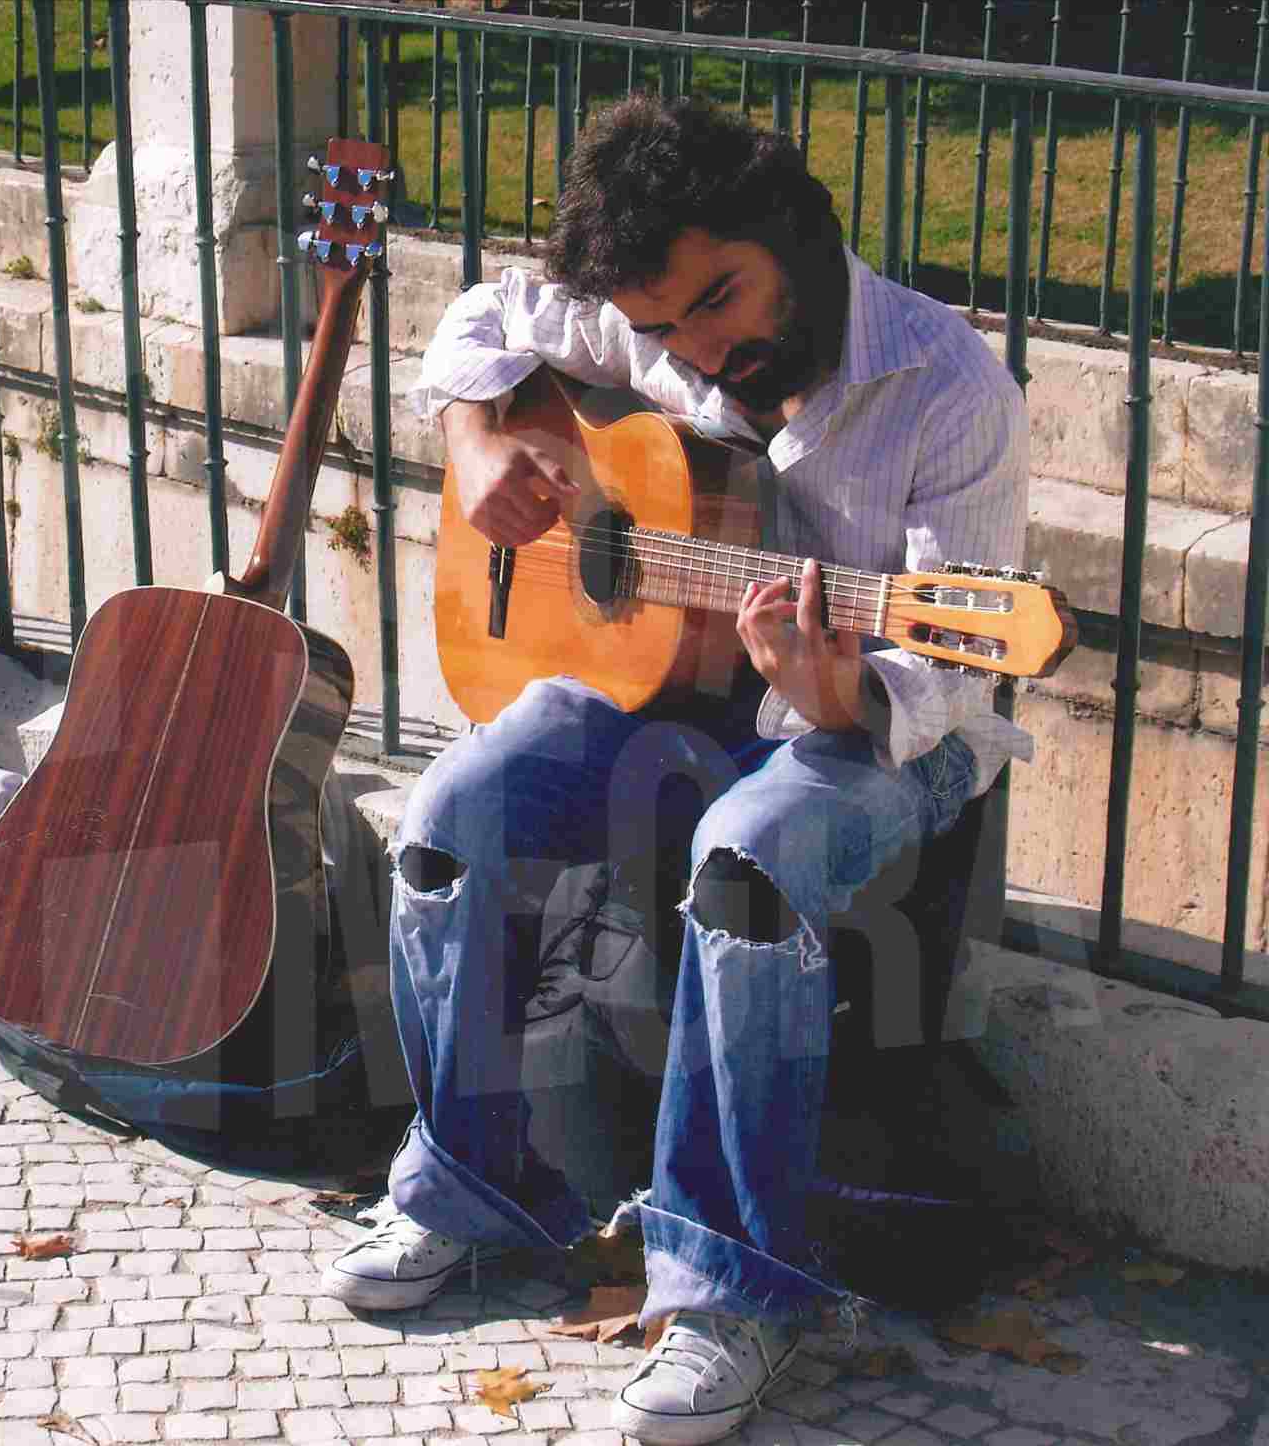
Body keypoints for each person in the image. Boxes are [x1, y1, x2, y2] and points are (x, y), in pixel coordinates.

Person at [318, 94, 1032, 1445]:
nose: (703, 350)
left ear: (795, 236)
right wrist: (477, 446)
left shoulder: (951, 389)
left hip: (884, 734)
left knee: (747, 856)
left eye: (720, 300)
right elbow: (480, 318)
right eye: (661, 330)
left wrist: (833, 688)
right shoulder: (640, 323)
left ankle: (728, 1292)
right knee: (453, 811)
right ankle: (468, 1188)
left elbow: (952, 677)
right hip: (675, 689)